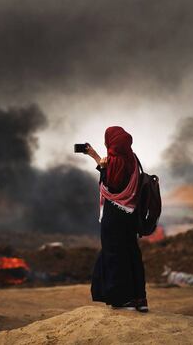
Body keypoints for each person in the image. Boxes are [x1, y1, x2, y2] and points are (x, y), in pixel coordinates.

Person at [84, 126, 148, 312]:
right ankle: (140, 298)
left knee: (114, 254)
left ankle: (122, 299)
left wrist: (101, 164)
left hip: (115, 216)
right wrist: (98, 159)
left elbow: (110, 186)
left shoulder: (115, 162)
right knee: (132, 253)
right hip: (131, 215)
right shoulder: (132, 159)